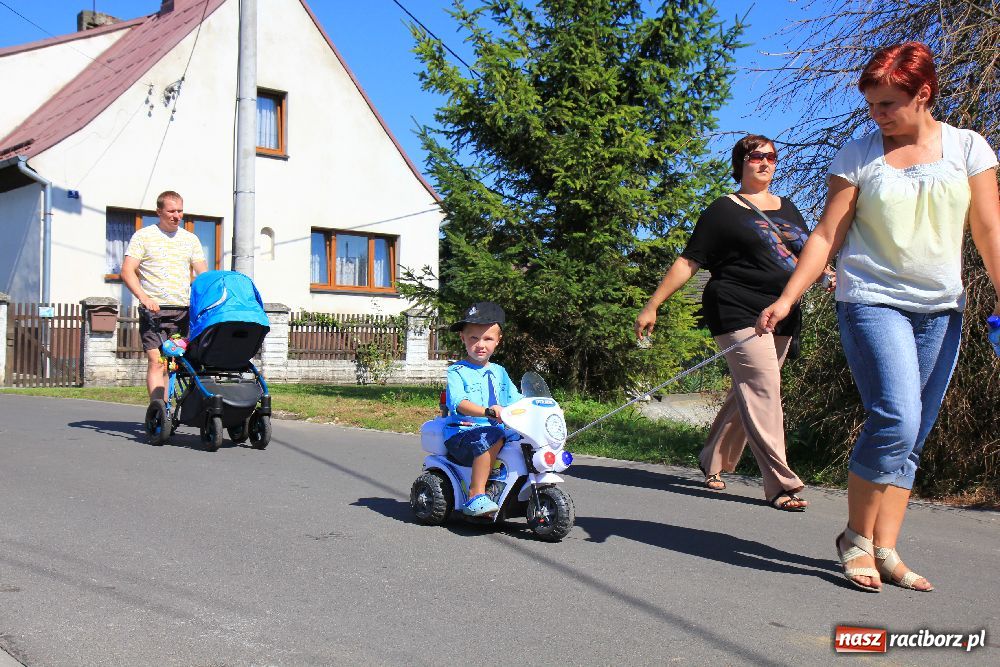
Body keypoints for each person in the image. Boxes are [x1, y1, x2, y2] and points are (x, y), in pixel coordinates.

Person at [757, 42, 1000, 592]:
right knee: (895, 416)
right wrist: (789, 297)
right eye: (872, 104)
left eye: (889, 104)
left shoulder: (968, 148)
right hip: (871, 299)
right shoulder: (858, 154)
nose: (878, 115)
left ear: (924, 95)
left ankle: (887, 549)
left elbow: (990, 230)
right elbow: (826, 235)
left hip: (941, 307)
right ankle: (855, 540)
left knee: (914, 435)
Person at [636, 134, 829, 511]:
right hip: (736, 308)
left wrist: (826, 276)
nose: (766, 163)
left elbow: (803, 254)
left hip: (780, 312)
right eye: (757, 157)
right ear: (741, 162)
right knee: (764, 389)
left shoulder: (788, 207)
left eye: (772, 157)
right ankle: (781, 485)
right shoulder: (724, 210)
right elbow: (689, 260)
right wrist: (653, 304)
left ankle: (713, 458)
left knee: (750, 392)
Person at [121, 191, 208, 401]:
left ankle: (166, 412)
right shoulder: (143, 236)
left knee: (173, 362)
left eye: (180, 211)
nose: (176, 215)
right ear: (159, 211)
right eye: (171, 211)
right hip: (154, 310)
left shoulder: (191, 240)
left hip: (182, 310)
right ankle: (158, 410)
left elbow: (203, 275)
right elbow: (127, 271)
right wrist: (144, 298)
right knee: (156, 361)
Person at [443, 302, 524, 516]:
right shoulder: (457, 371)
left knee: (523, 439)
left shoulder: (500, 372)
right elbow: (458, 403)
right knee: (494, 434)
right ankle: (475, 494)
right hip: (463, 433)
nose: (480, 344)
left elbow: (516, 399)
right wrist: (487, 412)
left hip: (494, 431)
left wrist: (539, 406)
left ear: (498, 341)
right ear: (463, 338)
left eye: (488, 338)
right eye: (474, 338)